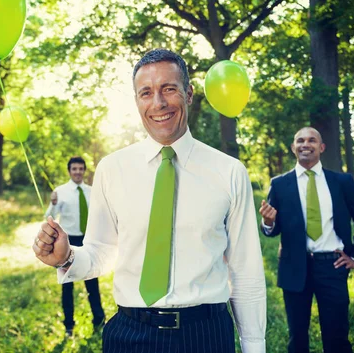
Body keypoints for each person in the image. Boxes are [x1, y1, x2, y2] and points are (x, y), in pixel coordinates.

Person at [33, 49, 266, 353]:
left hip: (206, 335)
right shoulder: (111, 169)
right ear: (136, 101)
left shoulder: (230, 172)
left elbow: (245, 270)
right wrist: (67, 257)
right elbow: (101, 251)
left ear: (189, 93)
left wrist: (254, 346)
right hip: (130, 334)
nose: (159, 103)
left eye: (169, 89)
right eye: (146, 92)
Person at [259, 127, 354, 353]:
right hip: (294, 267)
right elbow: (272, 230)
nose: (305, 144)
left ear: (321, 148)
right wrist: (269, 222)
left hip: (332, 266)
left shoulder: (342, 182)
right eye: (300, 140)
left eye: (312, 140)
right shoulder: (280, 184)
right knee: (297, 338)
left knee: (337, 337)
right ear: (294, 148)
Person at [44, 156, 106, 336]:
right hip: (68, 242)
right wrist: (53, 203)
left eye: (80, 169)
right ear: (69, 171)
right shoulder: (60, 192)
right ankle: (69, 326)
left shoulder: (92, 191)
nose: (78, 172)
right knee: (67, 285)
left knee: (92, 282)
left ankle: (99, 320)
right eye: (74, 169)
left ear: (84, 171)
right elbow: (49, 216)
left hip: (88, 240)